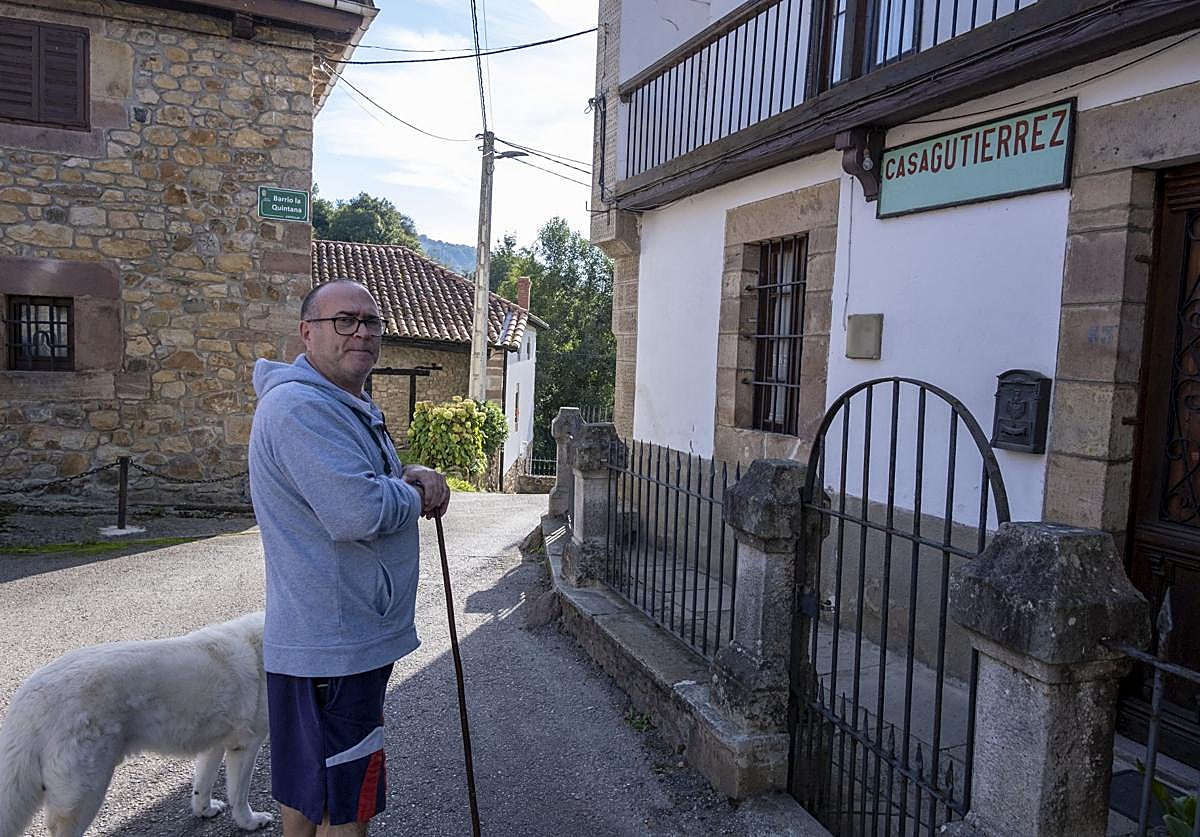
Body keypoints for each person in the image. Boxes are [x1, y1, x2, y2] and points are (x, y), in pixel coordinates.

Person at [248, 279, 450, 836]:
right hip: (335, 644)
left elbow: (360, 480)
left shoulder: (341, 403)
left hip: (327, 638)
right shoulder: (301, 408)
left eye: (370, 321)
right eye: (344, 320)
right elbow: (356, 510)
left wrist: (408, 474)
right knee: (346, 803)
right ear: (307, 332)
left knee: (310, 790)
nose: (361, 331)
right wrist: (417, 493)